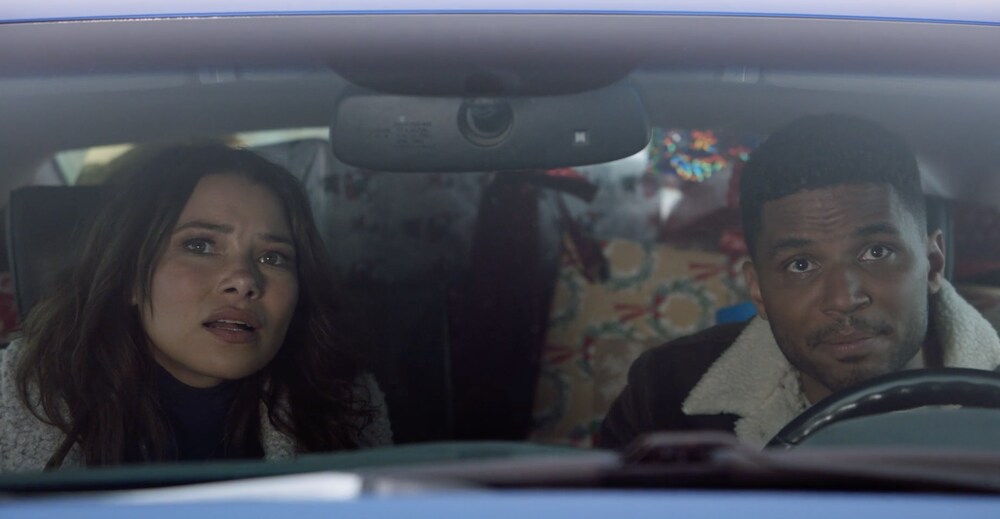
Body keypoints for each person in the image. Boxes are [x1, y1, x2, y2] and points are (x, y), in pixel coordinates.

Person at [598, 114, 1000, 449]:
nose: (843, 298)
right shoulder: (664, 398)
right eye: (801, 264)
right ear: (757, 289)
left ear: (932, 263)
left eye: (877, 252)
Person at [0, 143, 391, 472]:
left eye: (273, 257)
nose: (244, 280)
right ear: (128, 278)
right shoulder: (22, 399)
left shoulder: (345, 401)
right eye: (200, 245)